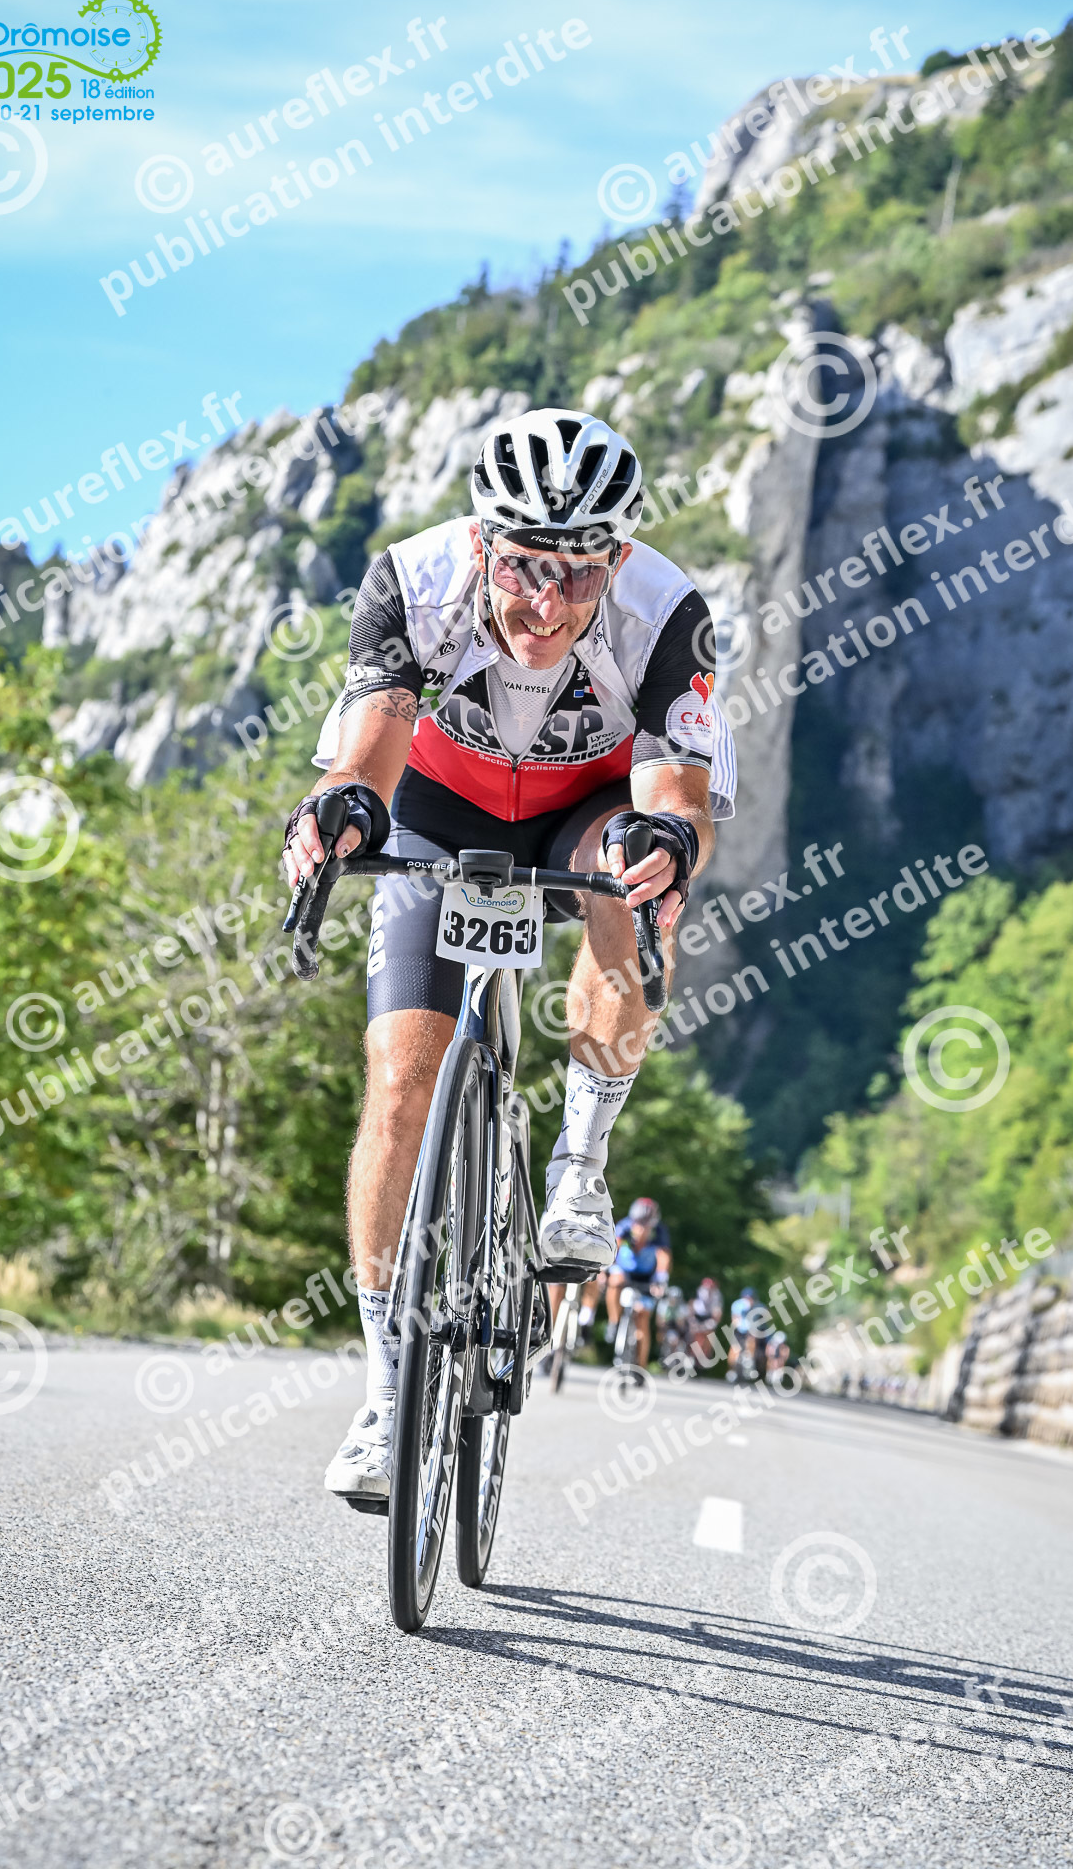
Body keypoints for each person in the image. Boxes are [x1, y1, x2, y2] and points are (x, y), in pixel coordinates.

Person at [283, 406, 737, 1500]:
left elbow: (677, 787)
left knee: (632, 868)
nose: (548, 603)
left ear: (615, 560)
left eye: (579, 575)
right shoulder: (414, 582)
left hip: (588, 811)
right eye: (527, 566)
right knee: (400, 1085)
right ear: (484, 542)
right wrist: (343, 808)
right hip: (439, 809)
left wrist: (669, 842)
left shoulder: (665, 609)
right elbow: (373, 742)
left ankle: (579, 1165)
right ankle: (387, 1390)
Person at [605, 1208, 666, 1368]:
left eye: (646, 1225)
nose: (641, 1229)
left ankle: (640, 1365)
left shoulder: (660, 1232)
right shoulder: (624, 1226)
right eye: (638, 1224)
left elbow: (664, 1257)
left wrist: (661, 1280)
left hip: (647, 1278)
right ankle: (614, 1321)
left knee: (642, 1317)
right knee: (615, 1282)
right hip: (625, 1272)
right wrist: (608, 1270)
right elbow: (614, 1247)